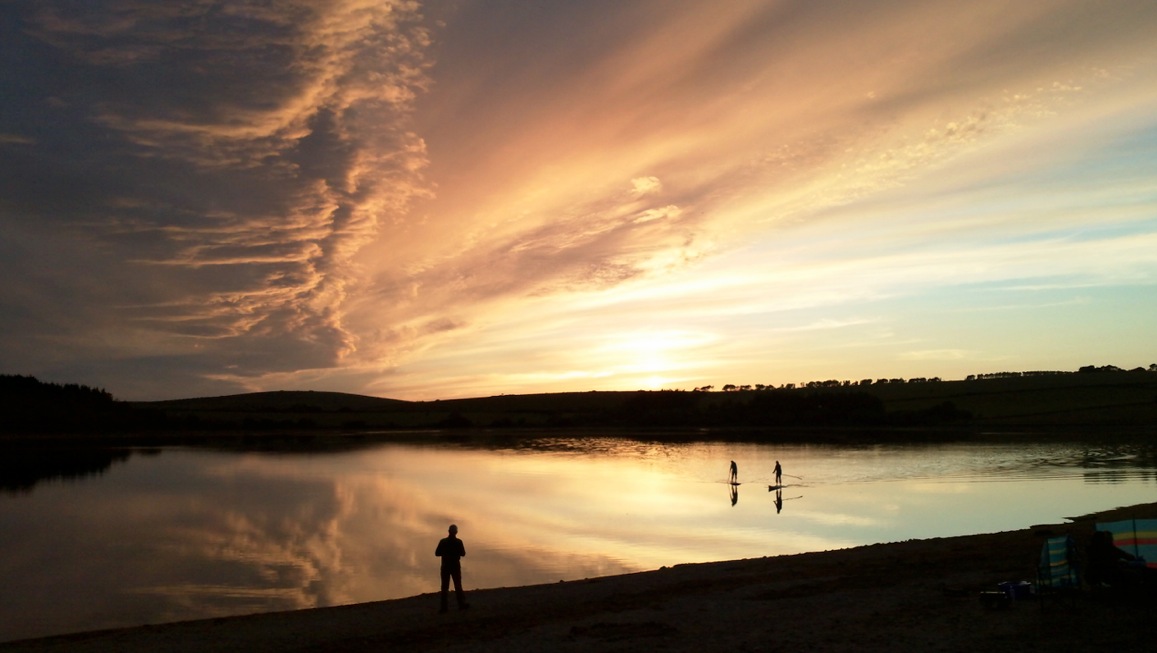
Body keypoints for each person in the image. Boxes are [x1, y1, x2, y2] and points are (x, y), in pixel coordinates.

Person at [435, 524, 468, 612]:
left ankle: (444, 608)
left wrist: (445, 553)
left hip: (445, 566)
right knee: (458, 586)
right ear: (456, 532)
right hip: (455, 566)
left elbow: (437, 553)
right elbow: (463, 553)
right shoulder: (458, 542)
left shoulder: (443, 541)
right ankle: (461, 605)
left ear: (449, 531)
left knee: (444, 587)